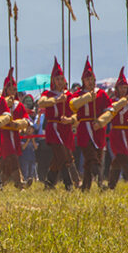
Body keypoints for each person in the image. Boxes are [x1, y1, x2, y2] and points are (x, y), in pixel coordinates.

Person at [69, 58, 112, 192]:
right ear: (83, 81)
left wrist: (101, 121)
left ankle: (85, 188)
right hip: (84, 129)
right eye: (87, 79)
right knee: (91, 157)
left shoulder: (101, 94)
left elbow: (109, 110)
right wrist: (88, 97)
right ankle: (100, 181)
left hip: (97, 128)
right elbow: (73, 105)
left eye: (91, 79)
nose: (90, 81)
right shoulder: (78, 94)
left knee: (93, 159)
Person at [38, 58, 80, 191]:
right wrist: (56, 100)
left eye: (62, 79)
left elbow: (76, 113)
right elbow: (41, 103)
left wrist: (70, 120)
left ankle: (49, 183)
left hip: (65, 129)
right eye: (57, 79)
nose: (60, 81)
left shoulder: (69, 95)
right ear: (53, 80)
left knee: (59, 158)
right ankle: (69, 184)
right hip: (53, 129)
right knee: (63, 155)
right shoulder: (48, 94)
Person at [102, 68, 128, 191]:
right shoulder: (113, 102)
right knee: (123, 157)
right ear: (117, 88)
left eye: (125, 87)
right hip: (116, 133)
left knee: (118, 160)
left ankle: (110, 186)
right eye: (121, 87)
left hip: (127, 132)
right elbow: (108, 112)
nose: (123, 90)